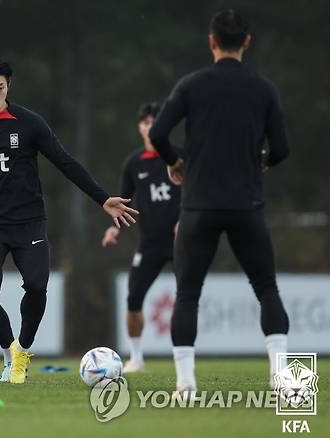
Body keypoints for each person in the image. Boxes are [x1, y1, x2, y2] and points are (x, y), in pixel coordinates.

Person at [0, 56, 139, 384]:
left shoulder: (29, 123)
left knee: (36, 286)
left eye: (0, 88)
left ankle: (21, 353)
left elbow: (65, 161)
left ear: (8, 88)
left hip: (30, 222)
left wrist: (103, 199)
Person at [149, 9, 290, 395]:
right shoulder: (263, 89)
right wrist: (258, 163)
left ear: (211, 42)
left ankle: (185, 383)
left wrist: (176, 163)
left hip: (199, 206)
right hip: (246, 204)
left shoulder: (192, 85)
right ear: (247, 42)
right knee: (266, 289)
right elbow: (281, 148)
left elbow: (160, 132)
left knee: (188, 293)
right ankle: (280, 377)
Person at [101, 102, 180, 373]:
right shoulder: (133, 163)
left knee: (187, 298)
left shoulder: (179, 157)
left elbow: (198, 192)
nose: (149, 126)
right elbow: (123, 203)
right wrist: (114, 228)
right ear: (140, 127)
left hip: (183, 242)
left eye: (154, 121)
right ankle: (136, 357)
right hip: (150, 244)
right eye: (145, 122)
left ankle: (183, 355)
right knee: (133, 298)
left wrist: (189, 221)